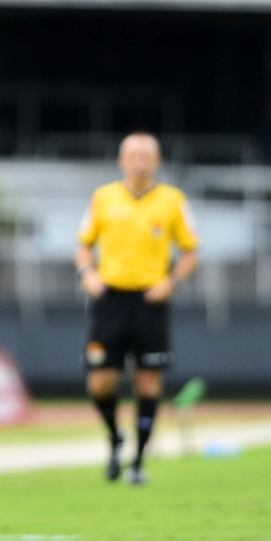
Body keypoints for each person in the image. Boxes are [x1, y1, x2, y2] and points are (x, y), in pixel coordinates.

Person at [74, 131, 200, 485]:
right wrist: (88, 274)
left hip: (150, 301)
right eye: (133, 154)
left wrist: (171, 282)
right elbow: (83, 245)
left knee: (148, 381)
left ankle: (139, 460)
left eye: (147, 154)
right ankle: (115, 436)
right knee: (100, 381)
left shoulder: (172, 201)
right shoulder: (103, 198)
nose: (140, 160)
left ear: (157, 161)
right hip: (110, 300)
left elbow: (191, 251)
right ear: (122, 160)